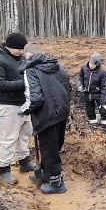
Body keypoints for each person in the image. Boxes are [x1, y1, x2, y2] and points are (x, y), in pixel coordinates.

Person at [18, 44, 71, 194]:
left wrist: (24, 110)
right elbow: (68, 88)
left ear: (28, 55)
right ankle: (46, 173)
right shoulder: (57, 66)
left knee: (48, 148)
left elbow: (34, 98)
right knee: (54, 145)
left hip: (47, 115)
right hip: (62, 111)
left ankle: (56, 183)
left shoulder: (31, 71)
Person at [0, 33, 36, 184]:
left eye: (23, 49)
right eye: (18, 49)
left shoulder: (21, 57)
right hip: (6, 105)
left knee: (24, 134)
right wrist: (24, 83)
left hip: (23, 104)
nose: (21, 52)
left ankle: (24, 161)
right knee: (8, 139)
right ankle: (4, 169)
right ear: (9, 47)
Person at [77, 53, 106, 127]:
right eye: (91, 63)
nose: (91, 66)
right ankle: (93, 123)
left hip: (98, 93)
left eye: (94, 65)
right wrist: (80, 85)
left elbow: (104, 86)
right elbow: (80, 78)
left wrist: (103, 97)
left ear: (98, 65)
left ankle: (105, 125)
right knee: (89, 109)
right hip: (87, 93)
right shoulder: (83, 67)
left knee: (103, 109)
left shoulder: (102, 72)